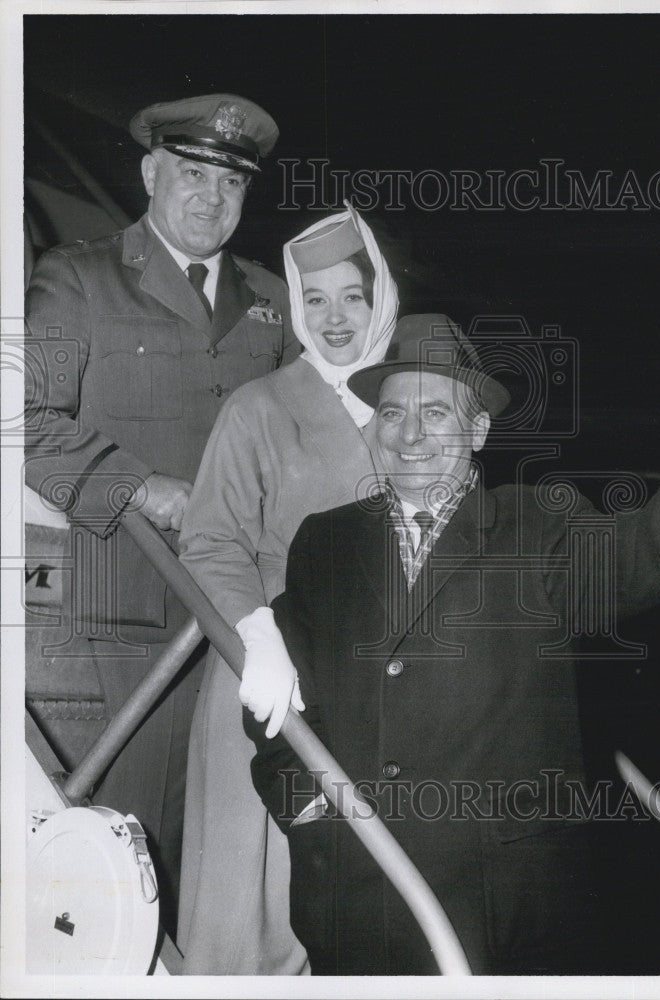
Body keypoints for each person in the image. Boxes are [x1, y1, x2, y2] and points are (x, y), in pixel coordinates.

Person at [249, 271, 660, 974]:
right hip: (352, 903)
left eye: (436, 414)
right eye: (394, 414)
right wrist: (308, 811)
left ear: (479, 429)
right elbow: (277, 704)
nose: (409, 435)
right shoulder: (325, 542)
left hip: (502, 917)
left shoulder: (538, 526)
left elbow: (657, 549)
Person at [24, 93, 297, 937]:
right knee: (111, 864)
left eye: (231, 184)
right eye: (192, 175)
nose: (211, 199)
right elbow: (23, 421)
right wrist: (145, 488)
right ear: (150, 173)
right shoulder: (78, 278)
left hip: (236, 627)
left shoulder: (271, 304)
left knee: (213, 869)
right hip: (115, 622)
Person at [177, 207, 399, 973]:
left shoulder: (412, 406)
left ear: (382, 299)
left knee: (355, 912)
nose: (333, 319)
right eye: (315, 300)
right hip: (269, 682)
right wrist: (257, 637)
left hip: (373, 690)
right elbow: (208, 536)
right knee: (247, 915)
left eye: (352, 297)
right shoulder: (259, 407)